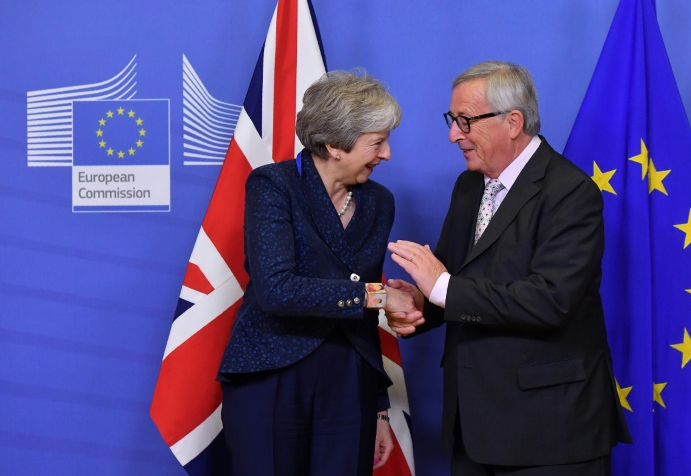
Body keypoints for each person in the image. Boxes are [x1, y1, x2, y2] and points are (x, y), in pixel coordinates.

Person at [386, 61, 631, 475]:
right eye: (452, 120)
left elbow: (550, 300)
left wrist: (441, 288)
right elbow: (455, 285)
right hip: (471, 427)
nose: (453, 135)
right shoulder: (469, 186)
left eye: (465, 121)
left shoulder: (570, 192)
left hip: (549, 433)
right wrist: (420, 305)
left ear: (513, 122)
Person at [217, 70, 421, 476]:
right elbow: (277, 290)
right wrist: (378, 296)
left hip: (349, 379)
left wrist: (379, 407)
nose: (386, 154)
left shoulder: (379, 202)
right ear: (334, 145)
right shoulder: (273, 185)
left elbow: (362, 317)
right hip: (272, 371)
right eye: (377, 143)